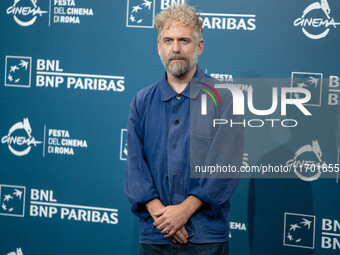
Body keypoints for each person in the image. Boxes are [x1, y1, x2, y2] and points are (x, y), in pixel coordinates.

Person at [125, 3, 244, 255]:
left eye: (184, 40)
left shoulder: (226, 98)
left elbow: (224, 168)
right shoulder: (141, 101)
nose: (175, 48)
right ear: (159, 47)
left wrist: (184, 211)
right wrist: (164, 218)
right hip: (155, 235)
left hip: (205, 239)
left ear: (199, 47)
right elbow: (135, 170)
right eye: (168, 40)